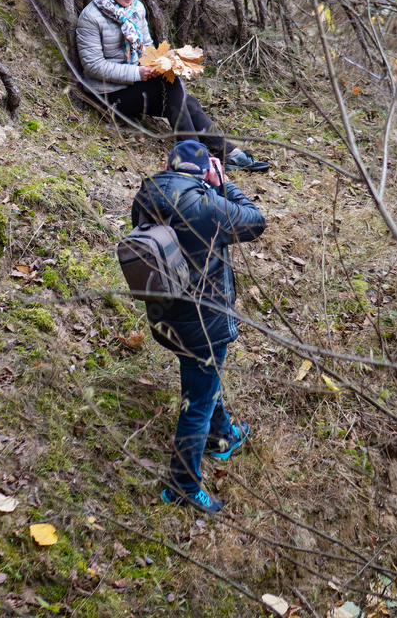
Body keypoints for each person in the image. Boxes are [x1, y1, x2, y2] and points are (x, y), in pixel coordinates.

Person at [131, 139, 266, 513]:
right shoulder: (204, 204)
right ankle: (182, 486)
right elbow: (255, 221)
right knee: (198, 403)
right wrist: (223, 182)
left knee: (203, 380)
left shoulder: (146, 195)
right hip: (203, 324)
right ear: (203, 169)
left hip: (165, 315)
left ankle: (221, 435)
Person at [75, 0, 269, 172]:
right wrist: (138, 73)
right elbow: (93, 66)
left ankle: (227, 153)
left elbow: (145, 46)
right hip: (105, 93)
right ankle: (196, 161)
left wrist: (159, 63)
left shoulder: (135, 9)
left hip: (131, 85)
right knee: (172, 88)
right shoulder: (91, 17)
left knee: (187, 101)